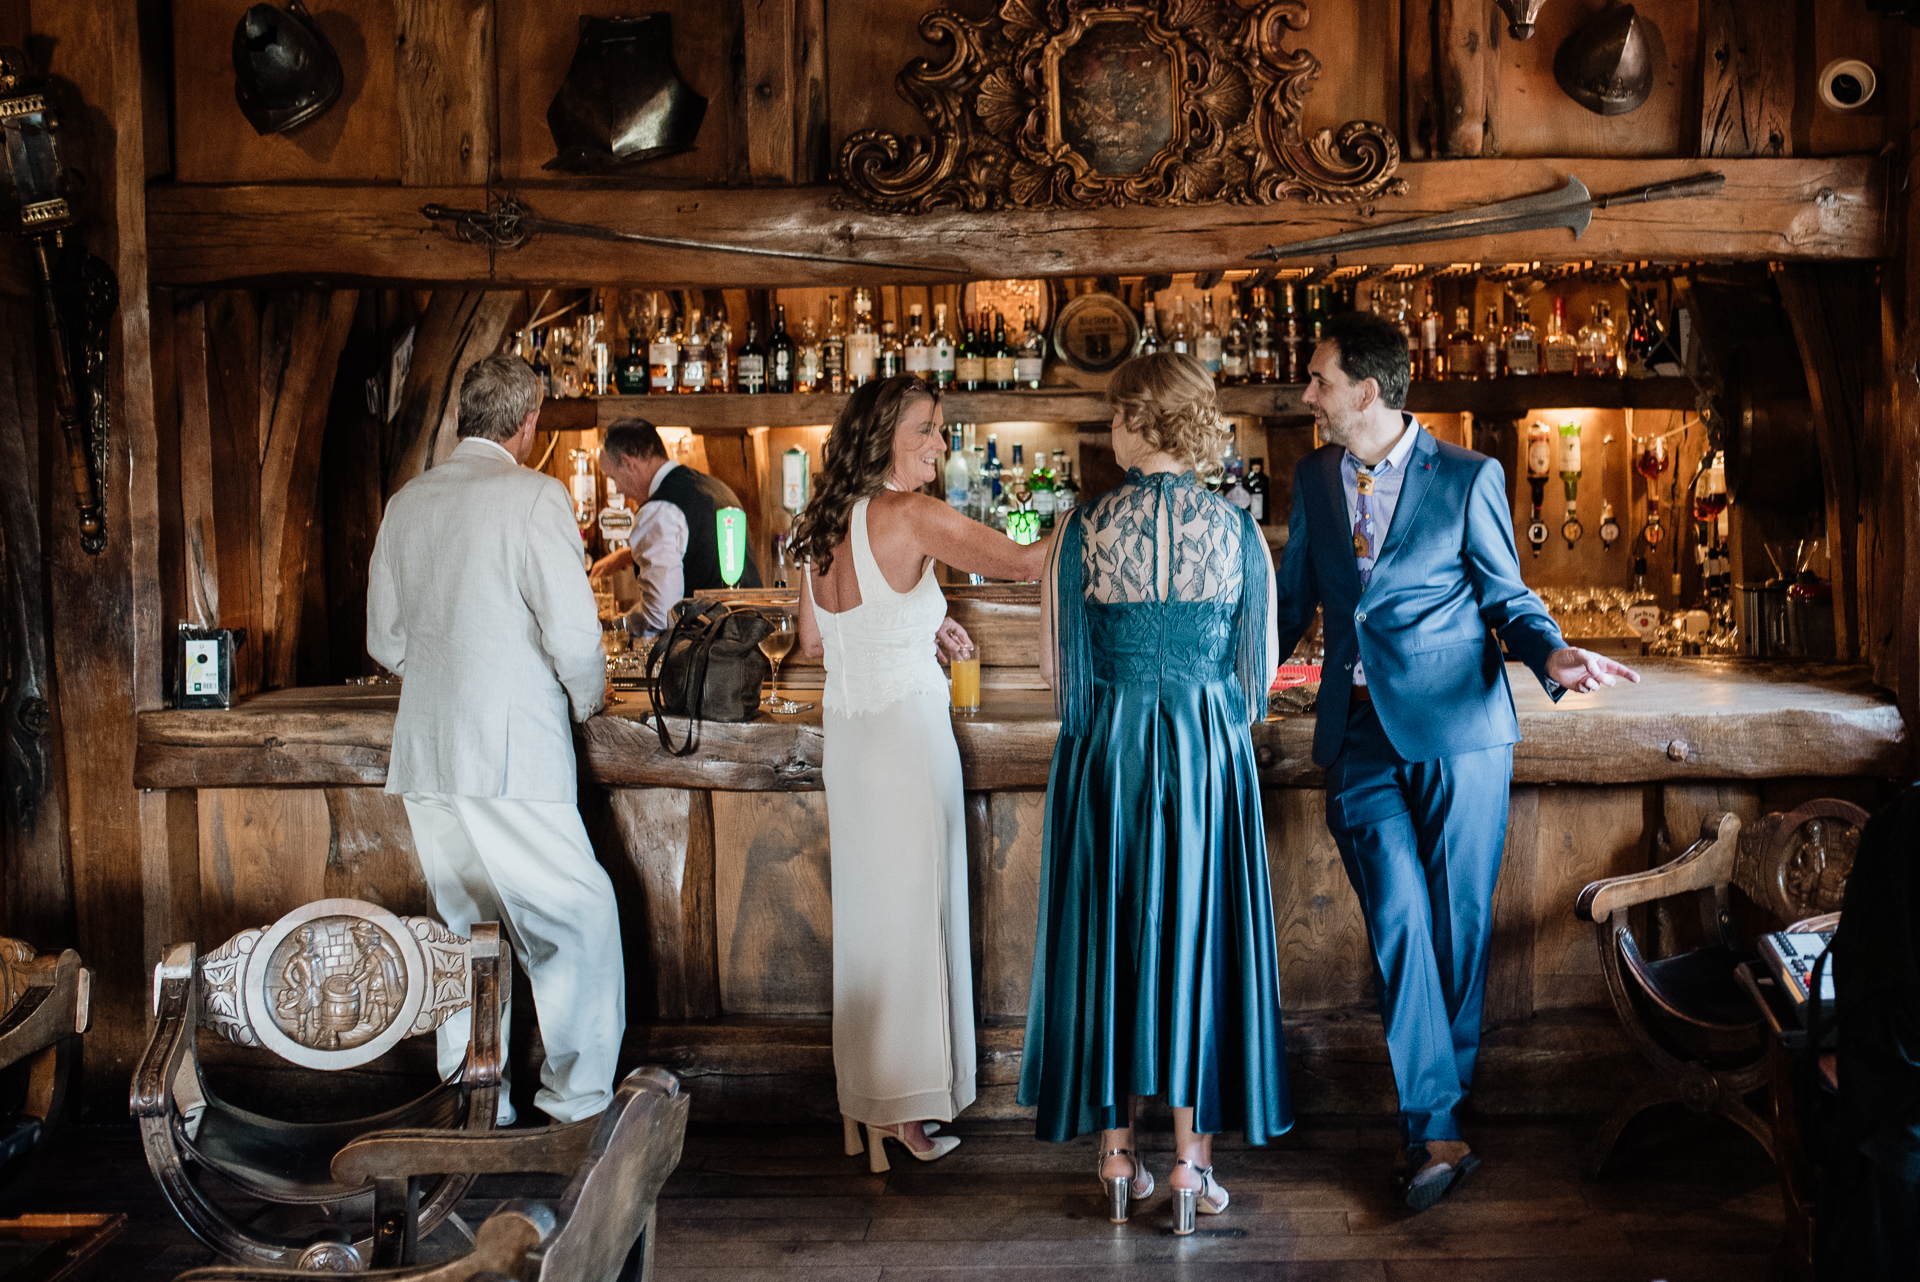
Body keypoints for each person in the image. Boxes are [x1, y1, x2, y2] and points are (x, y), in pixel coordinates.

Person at [1280, 312, 1639, 1208]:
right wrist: (1220, 677)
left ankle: (1431, 1129)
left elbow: (1507, 595)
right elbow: (1287, 605)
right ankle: (1437, 1129)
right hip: (1358, 736)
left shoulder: (1470, 477)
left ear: (1366, 392)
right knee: (1401, 922)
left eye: (1318, 380)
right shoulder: (1314, 477)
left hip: (1461, 732)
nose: (1307, 395)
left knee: (1455, 932)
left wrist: (1552, 655)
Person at [1019, 351, 1290, 1235]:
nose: (1109, 430)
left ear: (1138, 423)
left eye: (1114, 415)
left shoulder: (1082, 530)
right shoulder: (1240, 532)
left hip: (1110, 753)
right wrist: (1200, 707)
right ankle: (1189, 1165)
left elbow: (1062, 680)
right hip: (1208, 752)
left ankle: (1113, 1154)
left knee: (1111, 942)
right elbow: (1257, 677)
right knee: (1196, 941)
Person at [791, 374, 1050, 1171]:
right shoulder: (912, 514)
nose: (942, 443)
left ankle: (865, 1104)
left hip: (850, 740)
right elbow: (1026, 562)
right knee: (913, 923)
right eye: (929, 429)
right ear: (886, 437)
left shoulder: (822, 519)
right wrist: (1100, 520)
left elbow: (813, 640)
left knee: (872, 926)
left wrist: (921, 622)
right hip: (906, 739)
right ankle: (904, 1113)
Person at [367, 353, 625, 1125]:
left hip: (428, 749)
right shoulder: (534, 495)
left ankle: (476, 1093)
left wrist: (450, 675)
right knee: (576, 917)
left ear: (462, 419)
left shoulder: (407, 503)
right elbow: (577, 640)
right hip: (510, 749)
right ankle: (577, 1102)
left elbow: (385, 639)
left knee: (467, 929)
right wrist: (586, 701)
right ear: (529, 423)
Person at [591, 418, 762, 635]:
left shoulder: (657, 511)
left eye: (613, 478)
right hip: (747, 640)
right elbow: (699, 548)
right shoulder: (714, 487)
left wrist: (618, 626)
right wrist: (627, 555)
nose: (619, 490)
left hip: (703, 653)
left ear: (629, 463)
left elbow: (662, 616)